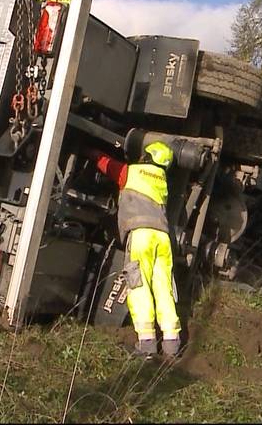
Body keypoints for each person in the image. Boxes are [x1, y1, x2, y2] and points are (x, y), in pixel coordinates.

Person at [90, 141, 182, 360]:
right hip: (162, 238)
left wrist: (90, 150)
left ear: (147, 157)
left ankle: (147, 344)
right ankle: (171, 344)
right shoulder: (162, 181)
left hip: (141, 236)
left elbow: (107, 164)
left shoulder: (132, 172)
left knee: (139, 286)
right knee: (163, 288)